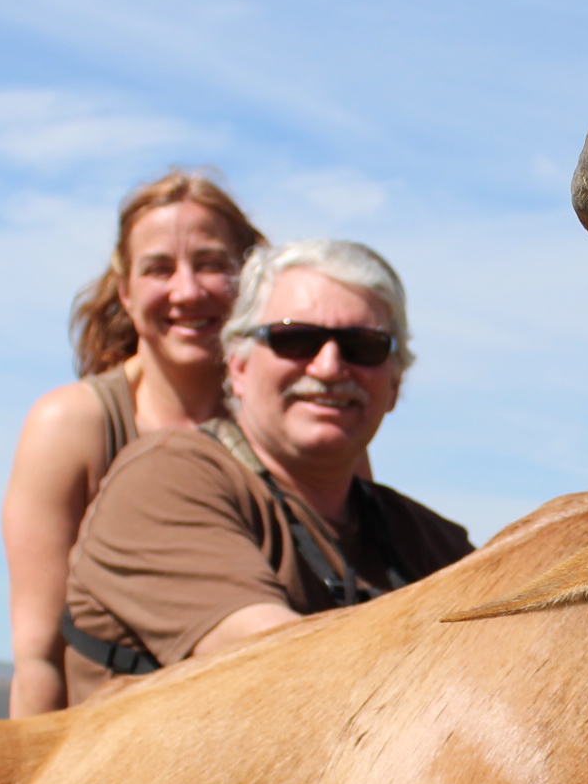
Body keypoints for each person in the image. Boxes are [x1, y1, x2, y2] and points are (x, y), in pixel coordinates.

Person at [59, 239, 474, 706]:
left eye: (364, 346)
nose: (330, 365)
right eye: (295, 339)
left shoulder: (432, 545)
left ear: (395, 383)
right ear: (236, 365)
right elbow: (285, 669)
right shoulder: (161, 482)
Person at [1, 171, 265, 717]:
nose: (187, 290)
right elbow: (39, 658)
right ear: (125, 290)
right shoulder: (72, 424)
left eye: (213, 264)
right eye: (159, 268)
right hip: (113, 762)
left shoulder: (288, 424)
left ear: (250, 280)